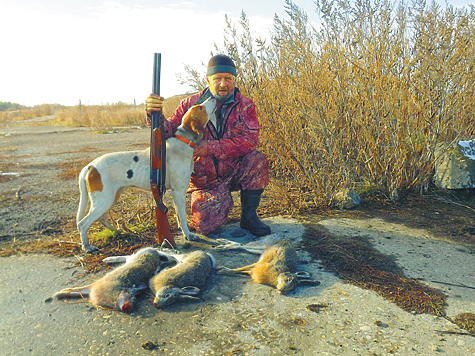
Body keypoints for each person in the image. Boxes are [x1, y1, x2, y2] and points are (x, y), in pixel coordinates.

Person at [145, 54, 271, 237]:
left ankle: (249, 216)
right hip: (205, 182)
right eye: (217, 78)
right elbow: (166, 132)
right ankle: (221, 200)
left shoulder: (245, 106)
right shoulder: (190, 105)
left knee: (257, 160)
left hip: (235, 171)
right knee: (205, 226)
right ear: (208, 80)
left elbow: (250, 140)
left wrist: (211, 147)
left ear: (234, 80)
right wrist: (153, 114)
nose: (223, 84)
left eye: (228, 79)